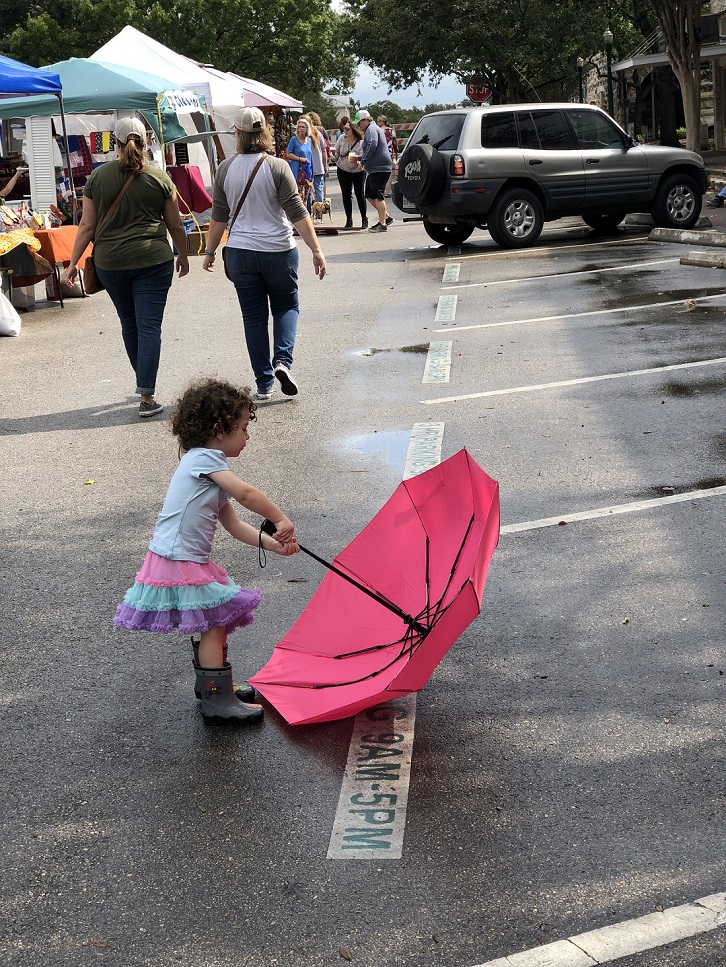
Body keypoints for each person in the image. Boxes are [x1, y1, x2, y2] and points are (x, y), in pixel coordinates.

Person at [114, 377, 299, 724]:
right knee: (215, 622)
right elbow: (246, 494)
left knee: (214, 621)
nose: (247, 437)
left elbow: (234, 524)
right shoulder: (204, 459)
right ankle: (218, 700)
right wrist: (279, 517)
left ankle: (214, 687)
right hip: (177, 558)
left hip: (182, 558)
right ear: (218, 429)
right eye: (243, 429)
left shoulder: (205, 468)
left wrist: (273, 544)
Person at [64, 117, 188, 418]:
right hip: (152, 260)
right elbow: (175, 224)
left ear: (115, 143)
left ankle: (143, 386)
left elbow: (86, 226)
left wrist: (72, 263)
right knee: (149, 327)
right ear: (144, 142)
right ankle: (145, 394)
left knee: (130, 324)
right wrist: (183, 255)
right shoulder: (159, 178)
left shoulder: (97, 177)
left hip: (111, 263)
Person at [203, 107, 326, 401]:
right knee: (286, 307)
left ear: (238, 134)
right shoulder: (277, 166)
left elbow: (219, 215)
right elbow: (297, 211)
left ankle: (263, 384)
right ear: (265, 133)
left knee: (253, 317)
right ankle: (282, 361)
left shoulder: (225, 169)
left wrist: (209, 251)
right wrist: (316, 249)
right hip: (278, 251)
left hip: (240, 253)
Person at [354, 110, 394, 234]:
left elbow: (372, 145)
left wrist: (363, 161)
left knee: (378, 195)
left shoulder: (371, 129)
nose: (358, 125)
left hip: (380, 168)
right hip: (375, 169)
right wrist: (359, 158)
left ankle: (382, 224)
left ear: (366, 120)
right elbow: (373, 150)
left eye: (359, 122)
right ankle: (385, 217)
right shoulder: (371, 129)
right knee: (369, 195)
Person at [332, 119, 367, 229]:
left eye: (347, 129)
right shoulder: (342, 139)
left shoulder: (361, 143)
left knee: (359, 194)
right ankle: (349, 219)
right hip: (343, 169)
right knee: (346, 194)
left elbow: (363, 158)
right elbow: (336, 151)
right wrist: (334, 158)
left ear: (353, 130)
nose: (345, 131)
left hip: (358, 171)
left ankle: (364, 219)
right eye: (344, 128)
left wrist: (357, 161)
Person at [286, 117, 314, 211]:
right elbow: (288, 154)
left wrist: (312, 172)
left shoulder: (309, 141)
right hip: (297, 171)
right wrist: (300, 159)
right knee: (299, 196)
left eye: (303, 127)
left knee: (306, 196)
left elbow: (310, 156)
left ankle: (306, 216)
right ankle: (300, 217)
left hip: (307, 172)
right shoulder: (294, 140)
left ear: (307, 129)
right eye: (299, 127)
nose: (301, 129)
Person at [305, 111, 329, 205]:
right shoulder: (318, 133)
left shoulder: (303, 135)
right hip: (318, 164)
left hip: (308, 165)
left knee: (309, 188)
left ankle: (310, 210)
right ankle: (320, 209)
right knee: (319, 187)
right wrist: (324, 164)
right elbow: (324, 150)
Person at [377, 115, 398, 197]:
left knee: (380, 171)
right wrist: (395, 153)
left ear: (381, 122)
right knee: (388, 172)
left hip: (380, 153)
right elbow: (395, 143)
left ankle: (381, 189)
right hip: (389, 153)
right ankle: (388, 191)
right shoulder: (391, 131)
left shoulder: (379, 131)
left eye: (378, 121)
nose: (377, 123)